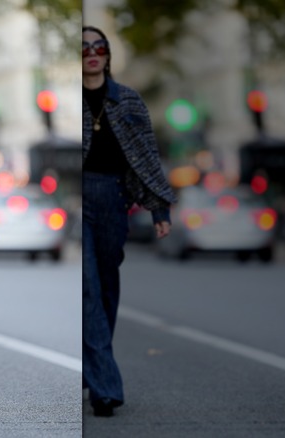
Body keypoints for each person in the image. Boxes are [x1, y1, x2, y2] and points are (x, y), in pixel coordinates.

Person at [81, 26, 176, 417]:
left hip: (113, 198)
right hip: (79, 198)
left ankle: (92, 366)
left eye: (99, 47)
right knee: (86, 287)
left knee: (105, 288)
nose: (92, 53)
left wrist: (159, 209)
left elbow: (147, 157)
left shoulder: (128, 101)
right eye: (84, 47)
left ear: (107, 55)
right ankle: (106, 387)